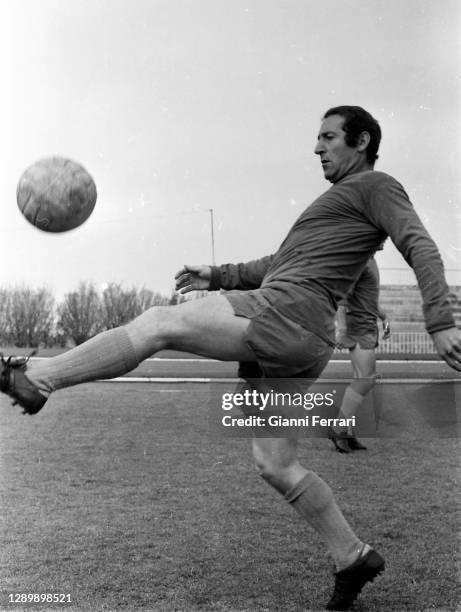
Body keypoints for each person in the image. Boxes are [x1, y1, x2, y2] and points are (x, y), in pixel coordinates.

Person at [2, 106, 460, 611]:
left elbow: (418, 243)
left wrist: (439, 322)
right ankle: (352, 556)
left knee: (160, 322)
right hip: (298, 337)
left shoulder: (377, 187)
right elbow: (276, 264)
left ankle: (39, 379)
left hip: (284, 315)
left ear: (362, 140)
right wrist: (218, 275)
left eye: (328, 137)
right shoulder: (336, 204)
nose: (317, 147)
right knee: (276, 464)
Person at [328, 256, 391, 453]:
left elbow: (367, 297)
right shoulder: (360, 259)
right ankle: (338, 428)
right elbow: (342, 297)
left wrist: (383, 316)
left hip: (367, 324)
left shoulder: (371, 259)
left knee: (360, 378)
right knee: (366, 379)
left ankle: (347, 431)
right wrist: (342, 329)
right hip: (359, 327)